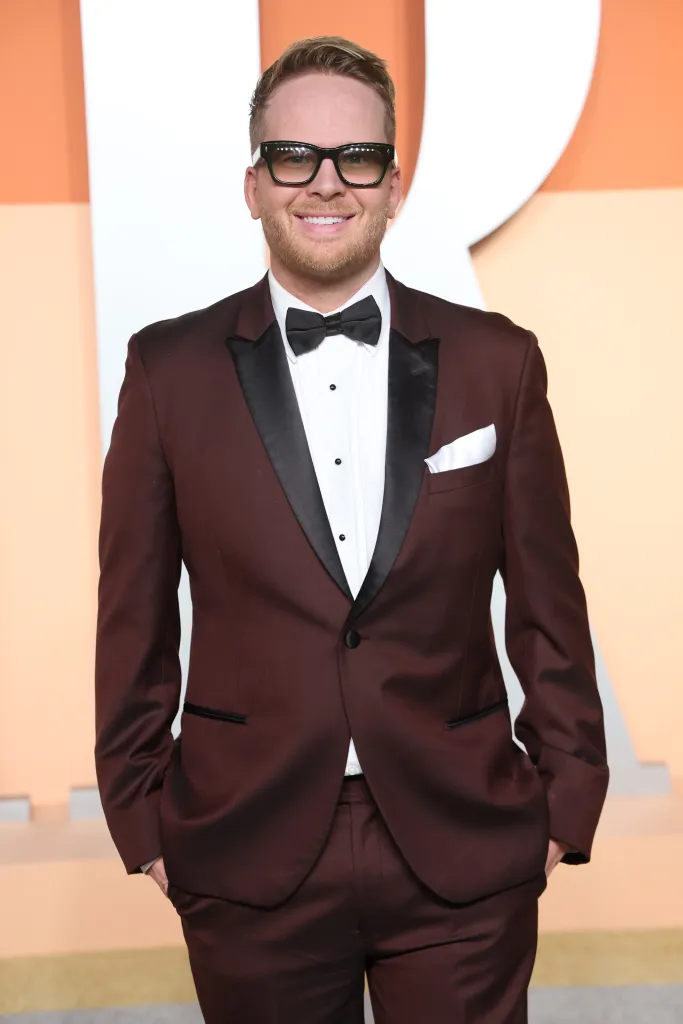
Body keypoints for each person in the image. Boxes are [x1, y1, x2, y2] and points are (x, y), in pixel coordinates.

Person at [95, 35, 609, 1024]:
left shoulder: (495, 362)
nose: (323, 183)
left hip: (463, 842)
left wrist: (564, 798)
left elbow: (550, 603)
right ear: (252, 183)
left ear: (392, 185)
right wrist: (142, 814)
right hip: (244, 845)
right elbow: (133, 616)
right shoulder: (169, 371)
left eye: (355, 158)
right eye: (294, 156)